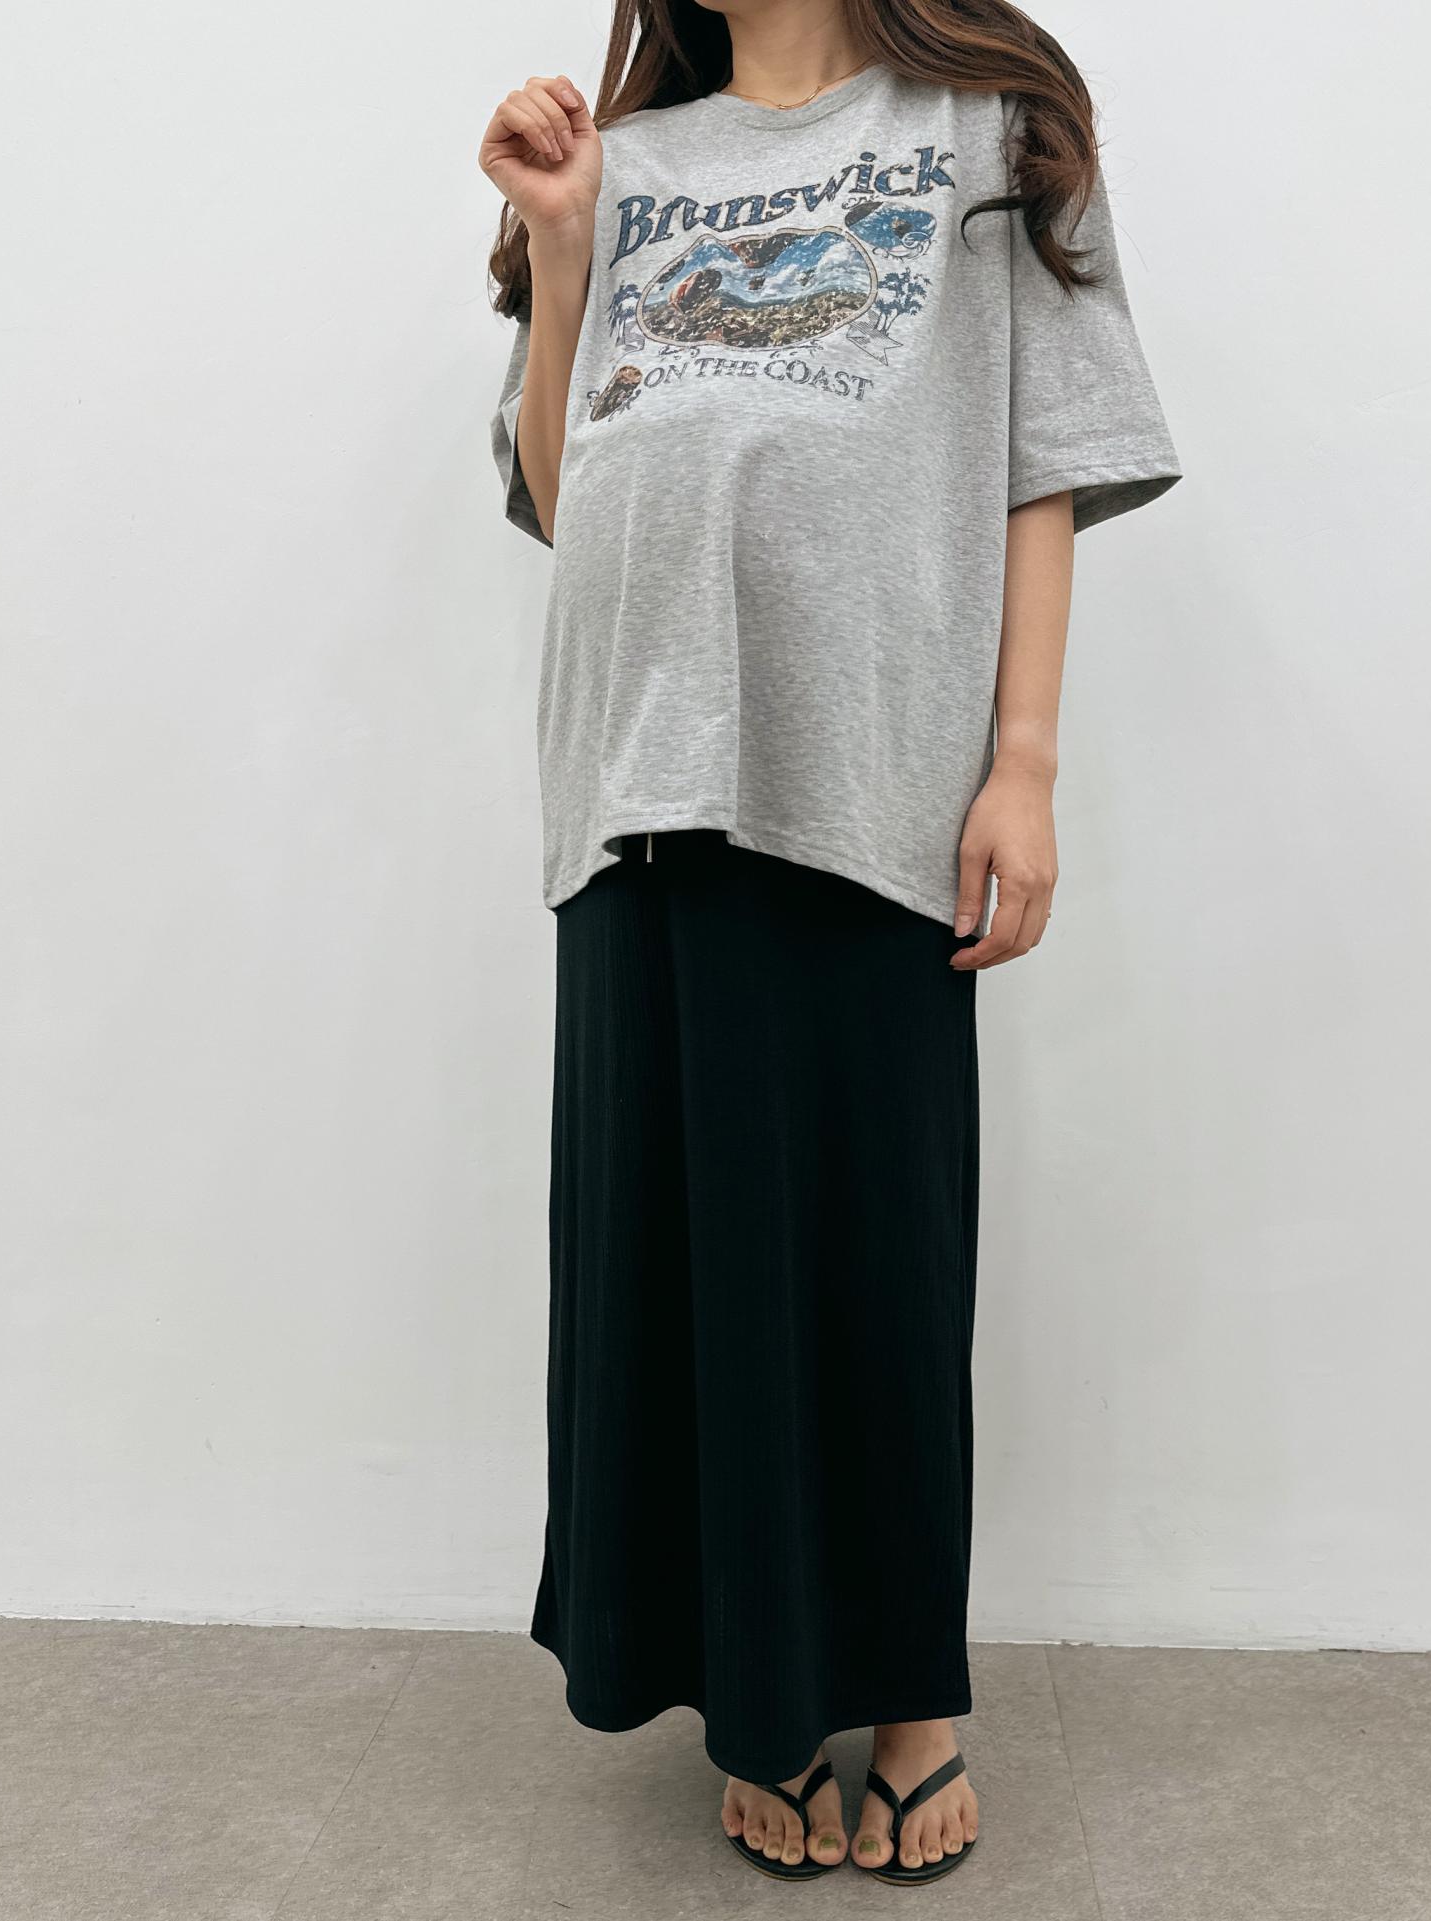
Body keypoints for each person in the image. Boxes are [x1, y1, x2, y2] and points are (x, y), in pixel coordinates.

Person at [478, 0, 1178, 1885]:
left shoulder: (987, 132)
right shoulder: (625, 164)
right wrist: (566, 247)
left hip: (870, 774)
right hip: (639, 778)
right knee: (685, 1272)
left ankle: (911, 1695)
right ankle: (761, 1690)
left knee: (877, 1254)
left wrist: (1022, 762)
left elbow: (1044, 458)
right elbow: (564, 494)